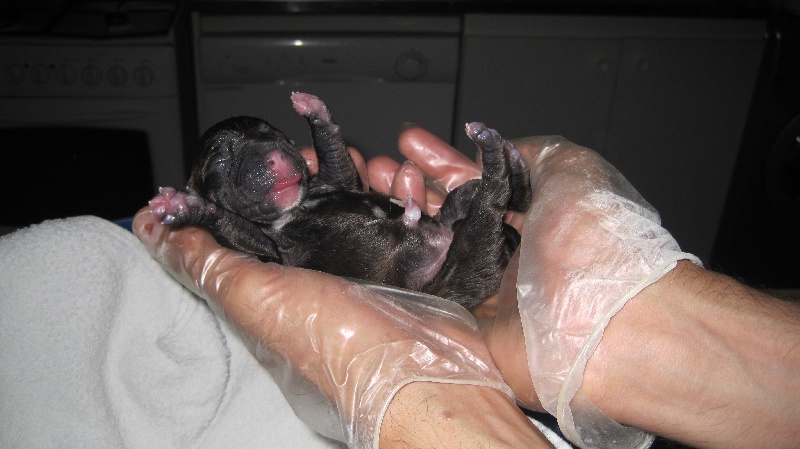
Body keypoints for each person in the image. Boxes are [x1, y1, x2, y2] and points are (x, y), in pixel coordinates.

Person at [132, 126, 800, 449]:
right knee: (476, 210)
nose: (275, 163)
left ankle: (501, 188)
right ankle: (500, 184)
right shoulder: (268, 239)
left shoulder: (309, 199)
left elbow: (334, 170)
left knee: (471, 207)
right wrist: (201, 214)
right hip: (433, 279)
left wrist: (619, 303)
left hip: (433, 258)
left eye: (269, 144)